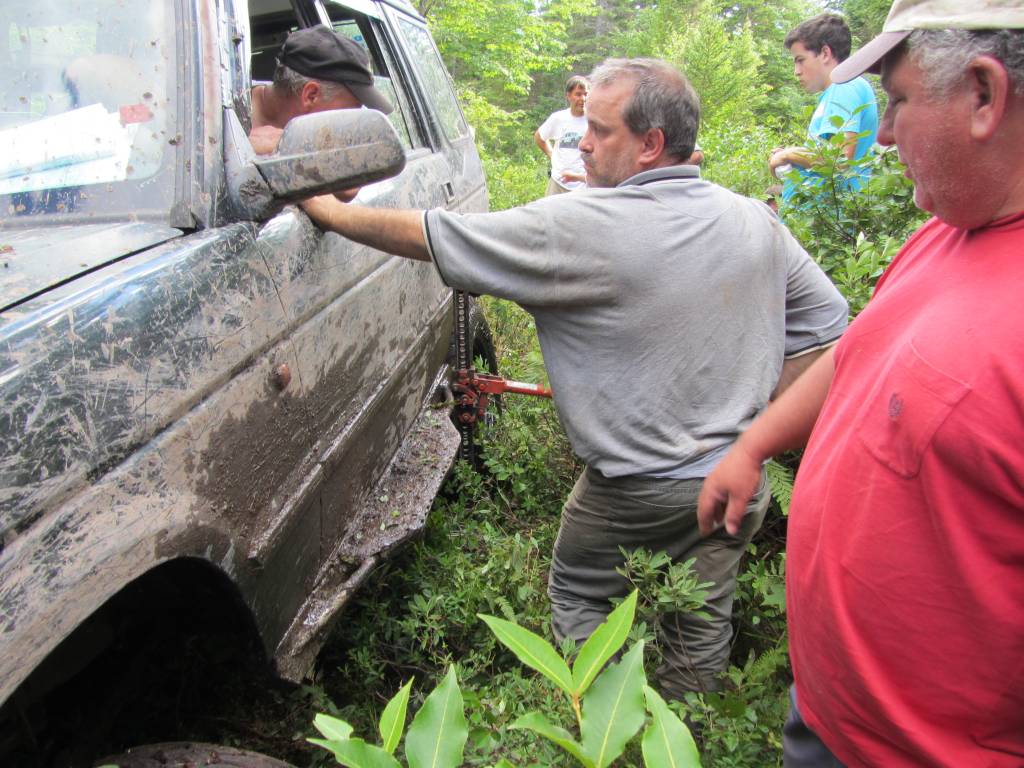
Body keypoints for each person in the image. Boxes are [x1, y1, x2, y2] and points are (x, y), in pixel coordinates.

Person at [299, 58, 848, 698]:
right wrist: (752, 427)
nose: (581, 143)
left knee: (581, 596)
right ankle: (688, 727)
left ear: (650, 144)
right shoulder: (754, 218)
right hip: (739, 481)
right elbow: (829, 334)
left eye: (600, 130)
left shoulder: (579, 225)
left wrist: (329, 212)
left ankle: (595, 721)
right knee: (698, 626)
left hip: (633, 490)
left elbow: (434, 235)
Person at [697, 2, 1024, 765]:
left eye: (899, 101)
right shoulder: (948, 232)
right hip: (831, 712)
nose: (883, 134)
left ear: (984, 94)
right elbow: (860, 352)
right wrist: (754, 444)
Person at [770, 14, 878, 208]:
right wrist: (793, 156)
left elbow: (839, 160)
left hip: (831, 219)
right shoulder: (836, 92)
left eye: (800, 60)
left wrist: (788, 155)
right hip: (821, 218)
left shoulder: (845, 86)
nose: (796, 71)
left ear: (825, 53)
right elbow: (825, 158)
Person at [249, 26, 393, 156]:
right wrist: (243, 152)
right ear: (311, 96)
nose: (350, 126)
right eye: (347, 114)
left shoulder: (317, 145)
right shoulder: (235, 119)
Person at [534, 75, 589, 194]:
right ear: (568, 96)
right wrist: (551, 154)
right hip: (558, 182)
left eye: (586, 94)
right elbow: (539, 137)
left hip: (583, 185)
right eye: (578, 94)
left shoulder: (593, 121)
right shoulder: (558, 118)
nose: (583, 98)